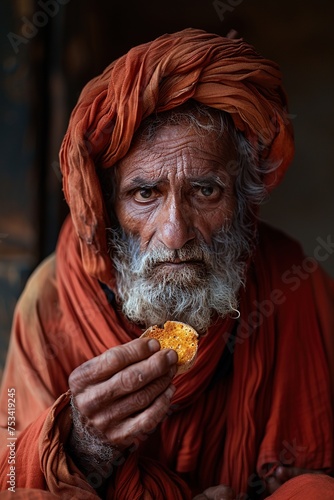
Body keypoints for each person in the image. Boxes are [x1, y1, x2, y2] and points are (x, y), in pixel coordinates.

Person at [0, 28, 333, 499]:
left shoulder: (294, 283)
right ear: (108, 206)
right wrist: (83, 443)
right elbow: (11, 476)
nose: (175, 233)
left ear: (242, 202)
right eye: (144, 193)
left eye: (205, 191)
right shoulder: (51, 301)